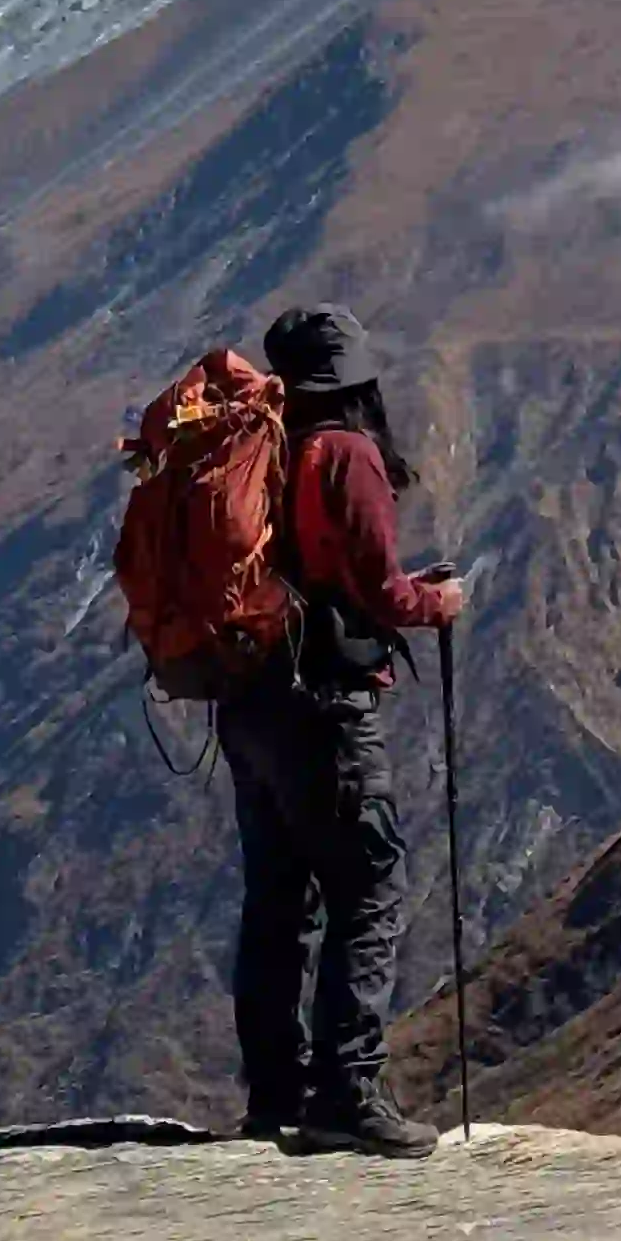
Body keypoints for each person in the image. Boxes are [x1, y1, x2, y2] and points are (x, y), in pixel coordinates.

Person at [225, 302, 463, 1157]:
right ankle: (348, 1090)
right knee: (369, 888)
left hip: (248, 697)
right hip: (323, 704)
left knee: (277, 897)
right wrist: (436, 602)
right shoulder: (346, 454)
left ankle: (274, 1093)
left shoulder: (259, 450)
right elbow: (377, 590)